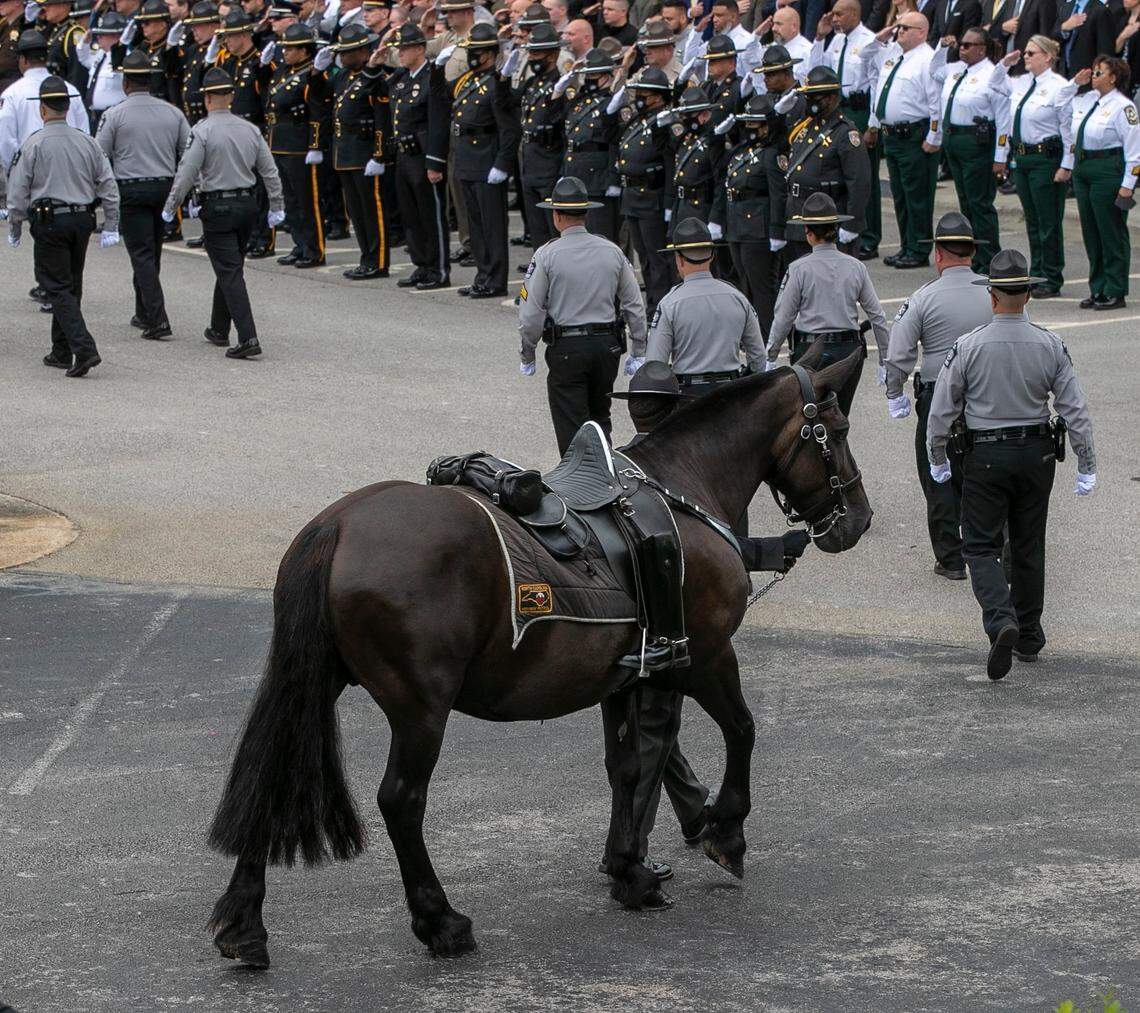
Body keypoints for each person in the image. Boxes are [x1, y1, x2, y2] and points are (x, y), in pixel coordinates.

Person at [603, 359, 812, 883]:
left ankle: (695, 809)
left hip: (615, 622)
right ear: (677, 408)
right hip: (662, 622)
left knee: (650, 737)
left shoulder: (613, 462)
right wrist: (771, 550)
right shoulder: (676, 471)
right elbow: (697, 547)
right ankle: (629, 849)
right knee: (653, 729)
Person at [926, 249, 1097, 678]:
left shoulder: (968, 346)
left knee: (980, 545)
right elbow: (1074, 409)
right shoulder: (1050, 343)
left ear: (992, 296)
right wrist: (1086, 462)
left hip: (985, 454)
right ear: (1028, 296)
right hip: (1038, 453)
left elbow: (942, 410)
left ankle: (1001, 618)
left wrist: (937, 456)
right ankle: (1029, 634)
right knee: (1027, 543)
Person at [883, 212, 993, 579]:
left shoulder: (923, 298)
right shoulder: (994, 292)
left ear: (938, 254)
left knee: (938, 474)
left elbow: (898, 355)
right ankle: (992, 550)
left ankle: (950, 558)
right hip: (986, 398)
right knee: (985, 474)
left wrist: (894, 393)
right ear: (972, 253)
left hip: (936, 398)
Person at [517, 175, 646, 455]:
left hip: (567, 349)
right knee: (601, 420)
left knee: (572, 428)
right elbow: (634, 304)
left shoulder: (546, 255)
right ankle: (607, 480)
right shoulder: (612, 251)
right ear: (585, 213)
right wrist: (639, 349)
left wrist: (528, 353)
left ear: (556, 216)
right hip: (606, 348)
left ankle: (580, 488)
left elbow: (530, 312)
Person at [161, 66, 285, 358]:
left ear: (206, 99)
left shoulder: (202, 131)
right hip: (246, 205)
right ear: (231, 96)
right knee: (230, 265)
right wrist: (277, 205)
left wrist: (171, 206)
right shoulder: (250, 129)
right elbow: (270, 172)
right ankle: (219, 327)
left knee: (229, 270)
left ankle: (248, 337)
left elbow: (187, 173)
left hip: (218, 205)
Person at [5, 75, 119, 377]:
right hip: (82, 219)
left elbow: (18, 191)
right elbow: (107, 184)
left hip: (50, 220)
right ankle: (60, 349)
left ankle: (84, 349)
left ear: (43, 109)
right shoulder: (87, 142)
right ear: (67, 107)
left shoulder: (33, 144)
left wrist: (14, 226)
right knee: (70, 283)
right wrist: (111, 222)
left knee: (55, 285)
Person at [96, 49, 191, 340]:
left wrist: (102, 193)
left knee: (141, 254)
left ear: (126, 84)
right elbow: (189, 151)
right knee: (153, 250)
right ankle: (144, 310)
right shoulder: (172, 112)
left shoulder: (114, 115)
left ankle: (157, 318)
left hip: (131, 187)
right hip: (164, 187)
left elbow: (100, 155)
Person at [765, 192, 888, 415]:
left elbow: (784, 317)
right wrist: (884, 358)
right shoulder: (855, 266)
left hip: (810, 351)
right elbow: (877, 316)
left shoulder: (798, 269)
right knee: (841, 415)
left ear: (808, 234)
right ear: (835, 230)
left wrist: (771, 355)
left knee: (811, 416)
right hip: (849, 351)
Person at [427, 20, 518, 297]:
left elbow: (510, 129)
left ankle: (496, 279)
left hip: (487, 158)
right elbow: (441, 96)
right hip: (466, 156)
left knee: (491, 225)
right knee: (475, 224)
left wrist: (503, 164)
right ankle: (482, 274)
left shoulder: (497, 83)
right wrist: (437, 68)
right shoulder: (468, 80)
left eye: (475, 51)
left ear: (489, 53)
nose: (471, 56)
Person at [644, 215, 765, 404]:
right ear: (712, 255)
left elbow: (654, 365)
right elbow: (758, 359)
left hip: (688, 396)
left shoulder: (669, 304)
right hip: (730, 393)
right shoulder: (737, 298)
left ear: (680, 259)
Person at [992, 35, 1074, 297]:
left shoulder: (1059, 86)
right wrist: (1005, 63)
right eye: (1025, 53)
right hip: (1023, 158)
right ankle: (1037, 271)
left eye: (1031, 53)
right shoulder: (1022, 82)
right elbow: (994, 83)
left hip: (1046, 158)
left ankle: (1051, 275)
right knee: (1033, 219)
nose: (1026, 57)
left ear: (1048, 56)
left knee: (1048, 220)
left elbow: (1067, 129)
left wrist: (1066, 165)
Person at [927, 28, 1010, 272]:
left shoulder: (992, 75)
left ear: (981, 49)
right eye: (960, 45)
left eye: (967, 45)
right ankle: (973, 255)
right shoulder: (954, 70)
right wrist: (943, 48)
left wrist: (1000, 156)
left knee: (980, 203)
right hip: (954, 140)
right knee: (965, 201)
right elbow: (934, 70)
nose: (961, 48)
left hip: (977, 143)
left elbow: (1003, 119)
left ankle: (989, 257)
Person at [863, 12, 941, 268]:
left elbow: (935, 102)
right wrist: (879, 38)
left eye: (905, 28)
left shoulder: (927, 59)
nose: (900, 32)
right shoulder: (894, 54)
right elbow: (864, 56)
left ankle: (919, 248)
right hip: (893, 136)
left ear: (922, 32)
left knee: (917, 194)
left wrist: (933, 135)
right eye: (898, 28)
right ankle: (907, 245)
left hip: (914, 135)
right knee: (900, 194)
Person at [709, 91, 787, 336]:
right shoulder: (740, 151)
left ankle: (766, 332)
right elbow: (719, 171)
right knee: (744, 282)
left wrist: (776, 231)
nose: (751, 129)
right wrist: (716, 137)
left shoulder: (771, 154)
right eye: (748, 124)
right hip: (736, 225)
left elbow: (778, 195)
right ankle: (751, 332)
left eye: (756, 124)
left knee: (761, 285)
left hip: (758, 227)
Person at [1066, 56, 1140, 310]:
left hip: (1108, 169)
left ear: (1113, 77)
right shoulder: (1089, 101)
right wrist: (1076, 84)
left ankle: (1115, 289)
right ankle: (1097, 287)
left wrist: (1128, 184)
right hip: (1084, 167)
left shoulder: (1123, 106)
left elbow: (1134, 150)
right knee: (1091, 231)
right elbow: (1060, 104)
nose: (1094, 74)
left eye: (1100, 71)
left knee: (1111, 232)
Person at [808, 0, 878, 259]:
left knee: (861, 175)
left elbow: (876, 82)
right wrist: (819, 37)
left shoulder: (868, 40)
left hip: (858, 108)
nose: (834, 18)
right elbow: (817, 69)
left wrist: (873, 124)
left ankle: (867, 234)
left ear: (854, 14)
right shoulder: (835, 40)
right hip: (835, 106)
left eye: (839, 14)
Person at [777, 64, 870, 261]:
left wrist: (852, 225)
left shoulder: (845, 132)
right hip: (799, 217)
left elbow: (859, 182)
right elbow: (779, 147)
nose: (809, 101)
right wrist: (778, 116)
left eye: (815, 96)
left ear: (832, 97)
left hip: (828, 221)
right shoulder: (804, 127)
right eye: (808, 96)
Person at [325, 22, 392, 280]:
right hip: (345, 155)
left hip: (365, 154)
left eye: (348, 52)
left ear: (364, 52)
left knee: (372, 212)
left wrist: (378, 155)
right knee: (356, 213)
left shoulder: (376, 79)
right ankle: (366, 258)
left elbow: (381, 119)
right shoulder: (342, 77)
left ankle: (379, 261)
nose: (342, 57)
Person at [387, 22, 449, 288]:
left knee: (430, 216)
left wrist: (435, 161)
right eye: (398, 48)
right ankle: (421, 264)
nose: (400, 53)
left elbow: (438, 121)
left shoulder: (432, 78)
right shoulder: (401, 79)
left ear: (420, 49)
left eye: (405, 48)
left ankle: (438, 269)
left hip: (423, 157)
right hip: (404, 156)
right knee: (411, 216)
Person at [614, 67, 675, 318]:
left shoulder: (663, 121)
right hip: (632, 197)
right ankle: (652, 306)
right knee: (645, 259)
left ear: (659, 97)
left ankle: (660, 308)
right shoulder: (638, 120)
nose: (639, 98)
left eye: (645, 95)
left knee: (658, 259)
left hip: (651, 196)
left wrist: (670, 201)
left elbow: (669, 160)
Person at [265, 23, 326, 269]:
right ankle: (299, 244)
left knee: (306, 201)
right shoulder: (282, 71)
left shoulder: (311, 75)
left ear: (304, 51)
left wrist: (315, 144)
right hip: (279, 144)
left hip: (300, 146)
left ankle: (314, 249)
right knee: (290, 201)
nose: (285, 53)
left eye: (291, 49)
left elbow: (317, 111)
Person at [558, 47, 623, 241]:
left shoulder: (611, 103)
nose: (590, 79)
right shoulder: (581, 101)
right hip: (576, 172)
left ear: (607, 76)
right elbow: (568, 138)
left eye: (594, 75)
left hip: (598, 177)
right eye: (588, 75)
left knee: (600, 233)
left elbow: (614, 142)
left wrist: (613, 179)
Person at [515, 21, 565, 255]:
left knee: (554, 234)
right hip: (530, 164)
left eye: (538, 53)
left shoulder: (561, 85)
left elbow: (559, 122)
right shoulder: (532, 84)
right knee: (538, 235)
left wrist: (557, 96)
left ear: (553, 54)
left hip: (549, 164)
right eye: (531, 53)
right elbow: (506, 104)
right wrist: (504, 75)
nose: (533, 58)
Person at [663, 83, 717, 229]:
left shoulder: (713, 142)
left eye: (689, 115)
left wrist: (716, 218)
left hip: (701, 208)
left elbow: (719, 183)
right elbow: (665, 150)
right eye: (682, 115)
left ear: (704, 114)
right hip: (681, 206)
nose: (684, 119)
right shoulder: (686, 138)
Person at [77, 11, 129, 131]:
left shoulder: (124, 57)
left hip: (115, 118)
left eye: (102, 34)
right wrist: (85, 41)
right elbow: (83, 58)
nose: (98, 38)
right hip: (95, 117)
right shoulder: (101, 56)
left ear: (116, 36)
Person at [1053, 0, 1115, 76]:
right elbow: (1053, 37)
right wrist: (1064, 27)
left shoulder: (1101, 10)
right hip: (1063, 74)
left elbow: (1105, 52)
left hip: (1087, 76)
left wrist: (1097, 77)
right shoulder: (1067, 7)